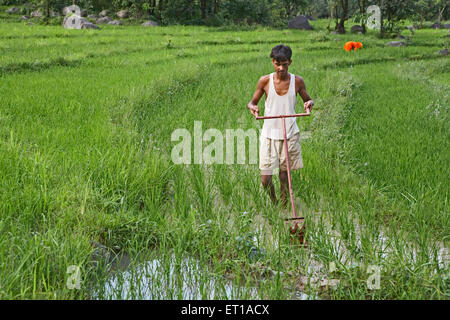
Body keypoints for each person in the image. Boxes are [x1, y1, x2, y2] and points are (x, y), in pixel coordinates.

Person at [247, 44, 314, 208]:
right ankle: (274, 202)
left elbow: (307, 99)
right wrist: (253, 108)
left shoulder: (297, 81)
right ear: (272, 62)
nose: (281, 68)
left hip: (289, 133)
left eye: (284, 64)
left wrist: (309, 104)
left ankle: (284, 207)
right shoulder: (265, 81)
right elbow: (252, 102)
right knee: (265, 179)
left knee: (285, 176)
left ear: (290, 62)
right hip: (269, 134)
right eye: (278, 64)